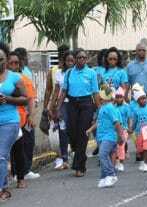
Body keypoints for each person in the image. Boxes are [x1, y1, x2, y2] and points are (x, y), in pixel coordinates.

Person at [56, 48, 99, 177]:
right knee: (71, 132)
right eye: (79, 57)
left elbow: (95, 92)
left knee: (83, 133)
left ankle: (79, 166)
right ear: (74, 59)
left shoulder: (91, 73)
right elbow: (63, 92)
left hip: (86, 104)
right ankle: (80, 156)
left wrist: (99, 109)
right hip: (72, 104)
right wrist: (58, 108)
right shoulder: (69, 73)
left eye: (84, 58)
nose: (81, 60)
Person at [0, 42, 28, 201]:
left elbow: (25, 99)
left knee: (1, 155)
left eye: (1, 59)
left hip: (9, 121)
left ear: (6, 58)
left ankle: (2, 188)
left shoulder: (15, 78)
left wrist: (7, 99)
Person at [8, 51, 37, 188]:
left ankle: (21, 175)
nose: (14, 65)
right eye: (11, 63)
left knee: (21, 149)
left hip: (20, 120)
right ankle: (12, 174)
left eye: (16, 63)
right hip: (4, 121)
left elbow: (30, 99)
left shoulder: (23, 79)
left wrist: (31, 115)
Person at [86, 87, 124, 188]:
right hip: (101, 136)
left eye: (101, 96)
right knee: (103, 156)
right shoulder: (102, 108)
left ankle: (111, 174)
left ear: (104, 98)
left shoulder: (110, 108)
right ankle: (103, 177)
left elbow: (116, 123)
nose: (99, 97)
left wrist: (120, 136)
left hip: (109, 136)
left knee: (103, 154)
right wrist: (90, 129)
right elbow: (98, 122)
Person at [50, 51, 75, 170]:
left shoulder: (78, 73)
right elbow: (56, 91)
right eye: (68, 60)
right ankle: (64, 158)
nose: (70, 63)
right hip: (62, 105)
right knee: (62, 131)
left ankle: (75, 153)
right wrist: (52, 107)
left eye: (72, 60)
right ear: (64, 62)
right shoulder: (60, 73)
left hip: (75, 104)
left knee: (74, 130)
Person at [128, 87, 147, 172]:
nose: (143, 100)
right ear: (137, 101)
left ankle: (146, 164)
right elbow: (135, 121)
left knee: (146, 147)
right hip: (139, 132)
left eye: (144, 98)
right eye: (141, 99)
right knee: (140, 149)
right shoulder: (136, 110)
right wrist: (131, 129)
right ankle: (143, 161)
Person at [114, 87, 130, 172]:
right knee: (116, 146)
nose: (118, 99)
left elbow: (129, 118)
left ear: (123, 98)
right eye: (117, 97)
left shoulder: (126, 107)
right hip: (115, 130)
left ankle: (121, 163)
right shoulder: (113, 107)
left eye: (120, 97)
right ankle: (117, 161)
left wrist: (130, 128)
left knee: (121, 146)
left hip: (124, 129)